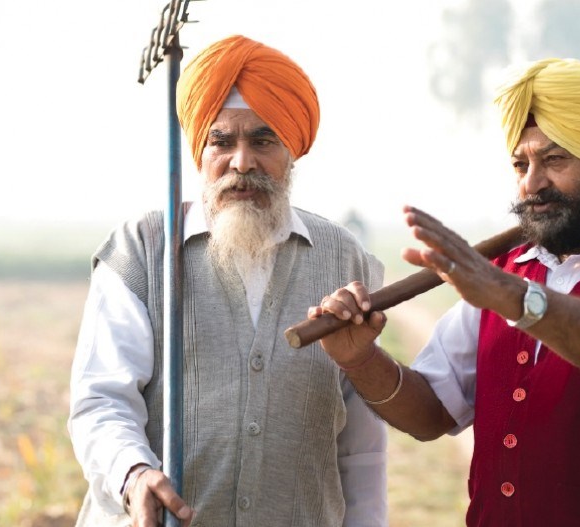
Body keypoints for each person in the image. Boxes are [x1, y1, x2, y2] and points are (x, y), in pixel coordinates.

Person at [311, 58, 580, 527]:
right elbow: (432, 411)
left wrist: (516, 298)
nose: (532, 183)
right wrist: (360, 359)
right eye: (521, 164)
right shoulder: (509, 270)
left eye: (554, 160)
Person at [68, 34, 387, 527]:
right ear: (199, 149)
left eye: (263, 140)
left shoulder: (346, 260)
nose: (242, 162)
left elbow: (362, 451)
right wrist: (132, 475)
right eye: (222, 141)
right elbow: (102, 401)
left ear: (292, 152)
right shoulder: (143, 249)